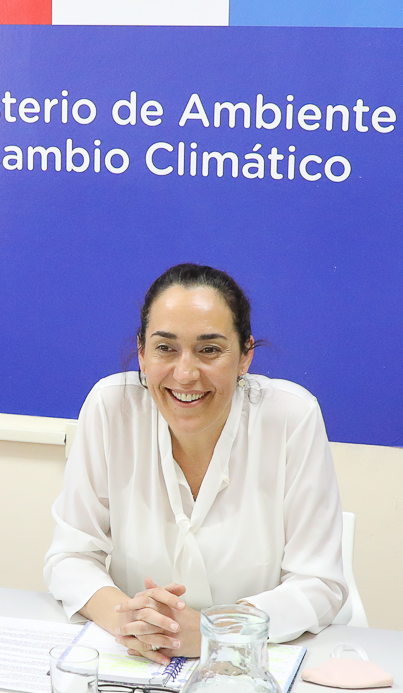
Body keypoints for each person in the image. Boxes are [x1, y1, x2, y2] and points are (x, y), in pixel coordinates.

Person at [45, 263, 347, 662]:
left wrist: (215, 632)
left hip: (248, 668)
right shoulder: (111, 407)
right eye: (165, 348)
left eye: (209, 350)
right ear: (142, 353)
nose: (185, 374)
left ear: (245, 356)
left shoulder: (291, 416)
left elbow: (319, 583)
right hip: (137, 662)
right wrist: (128, 621)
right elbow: (70, 556)